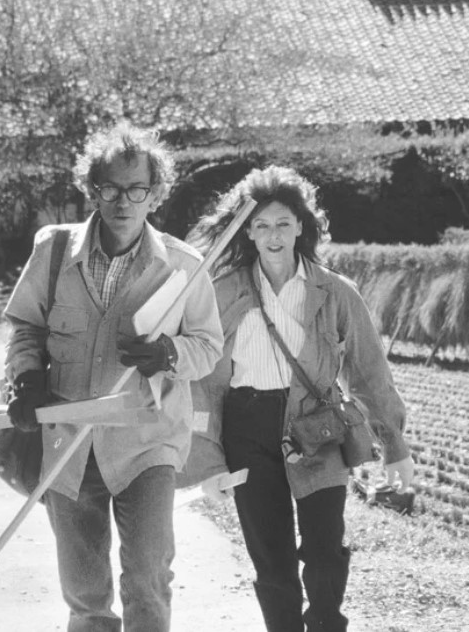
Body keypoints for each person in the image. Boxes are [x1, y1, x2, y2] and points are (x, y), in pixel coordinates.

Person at [1, 123, 224, 632]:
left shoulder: (185, 267)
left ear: (155, 194)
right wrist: (26, 378)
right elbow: (25, 327)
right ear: (92, 190)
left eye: (137, 190)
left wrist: (168, 352)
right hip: (69, 447)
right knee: (85, 594)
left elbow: (209, 347)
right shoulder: (53, 251)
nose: (124, 202)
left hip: (148, 444)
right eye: (111, 189)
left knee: (147, 578)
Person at [181, 166, 414, 632]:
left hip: (318, 428)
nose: (273, 235)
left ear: (302, 227)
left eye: (283, 223)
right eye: (262, 225)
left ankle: (327, 623)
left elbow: (369, 371)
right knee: (271, 559)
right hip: (246, 429)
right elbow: (202, 382)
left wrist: (395, 446)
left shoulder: (334, 291)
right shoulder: (221, 292)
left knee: (325, 547)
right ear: (247, 230)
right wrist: (207, 461)